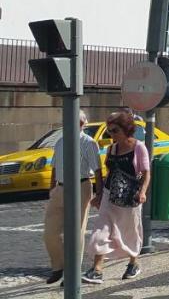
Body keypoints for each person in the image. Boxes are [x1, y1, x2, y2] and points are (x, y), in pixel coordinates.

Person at [83, 111, 150, 284]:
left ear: (126, 129)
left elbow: (146, 173)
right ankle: (97, 269)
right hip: (109, 194)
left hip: (130, 197)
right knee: (101, 229)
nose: (111, 134)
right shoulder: (111, 148)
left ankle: (133, 262)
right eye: (109, 131)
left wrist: (142, 192)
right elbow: (109, 173)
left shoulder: (138, 147)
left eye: (114, 130)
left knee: (130, 231)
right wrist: (98, 195)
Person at [43, 110, 101, 285]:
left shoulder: (89, 142)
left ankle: (73, 272)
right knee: (49, 233)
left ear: (82, 124)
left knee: (76, 232)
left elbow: (97, 170)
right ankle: (59, 267)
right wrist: (52, 187)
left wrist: (99, 193)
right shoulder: (60, 141)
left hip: (81, 186)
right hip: (60, 188)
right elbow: (54, 166)